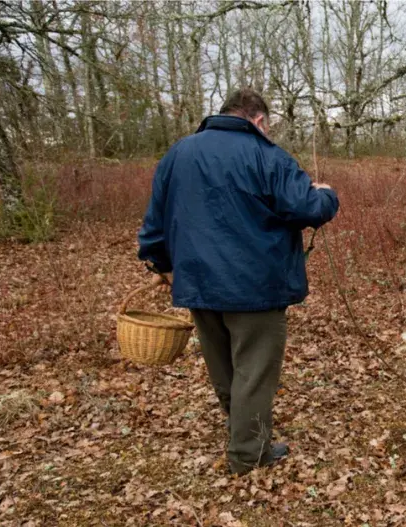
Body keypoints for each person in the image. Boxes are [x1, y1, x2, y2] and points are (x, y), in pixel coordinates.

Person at [137, 88, 339, 475]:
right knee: (254, 370)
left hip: (199, 285)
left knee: (225, 368)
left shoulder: (178, 154)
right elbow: (305, 207)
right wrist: (327, 195)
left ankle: (242, 434)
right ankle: (248, 455)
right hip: (256, 289)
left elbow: (154, 224)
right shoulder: (269, 157)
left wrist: (161, 265)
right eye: (269, 124)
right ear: (259, 120)